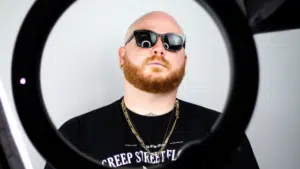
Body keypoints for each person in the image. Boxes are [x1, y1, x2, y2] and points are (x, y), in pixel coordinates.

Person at [44, 11, 260, 169]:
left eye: (173, 42)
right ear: (122, 56)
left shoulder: (222, 131)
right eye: (145, 39)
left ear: (183, 62)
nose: (159, 48)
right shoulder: (75, 136)